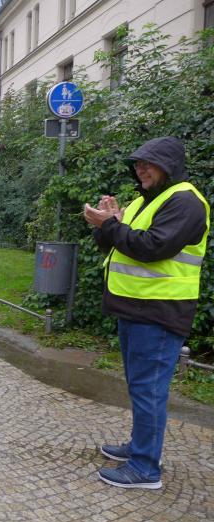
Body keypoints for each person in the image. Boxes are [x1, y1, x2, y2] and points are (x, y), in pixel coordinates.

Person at [84, 136, 209, 489]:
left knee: (148, 390)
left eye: (148, 163)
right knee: (140, 387)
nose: (141, 169)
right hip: (136, 308)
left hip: (160, 312)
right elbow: (115, 244)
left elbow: (153, 248)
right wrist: (107, 223)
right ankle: (140, 448)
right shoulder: (145, 200)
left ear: (169, 165)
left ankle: (145, 468)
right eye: (138, 164)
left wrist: (111, 225)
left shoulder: (185, 201)